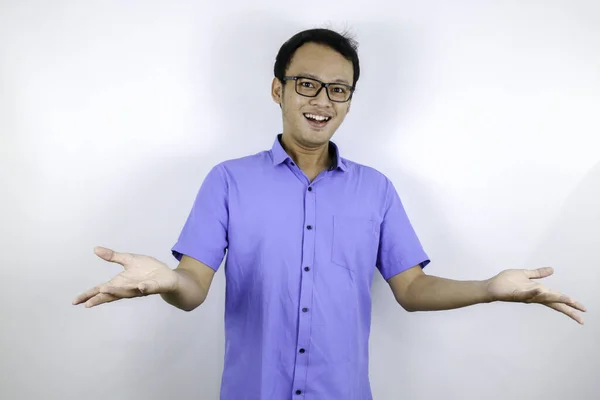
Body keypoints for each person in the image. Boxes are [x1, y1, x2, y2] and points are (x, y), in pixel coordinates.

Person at [72, 28, 586, 399]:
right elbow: (193, 287)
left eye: (338, 89)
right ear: (279, 89)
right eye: (307, 84)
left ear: (349, 101)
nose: (323, 101)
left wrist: (489, 288)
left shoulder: (376, 190)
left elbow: (411, 289)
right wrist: (164, 281)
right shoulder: (228, 180)